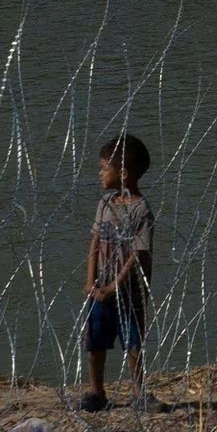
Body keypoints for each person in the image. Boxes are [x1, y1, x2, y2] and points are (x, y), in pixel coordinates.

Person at [82, 133, 154, 412]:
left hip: (130, 289)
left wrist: (115, 286)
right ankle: (97, 392)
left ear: (122, 173)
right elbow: (95, 242)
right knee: (94, 341)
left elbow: (138, 255)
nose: (100, 173)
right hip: (99, 287)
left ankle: (140, 393)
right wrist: (90, 281)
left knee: (132, 342)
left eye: (104, 168)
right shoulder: (105, 204)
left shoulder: (141, 210)